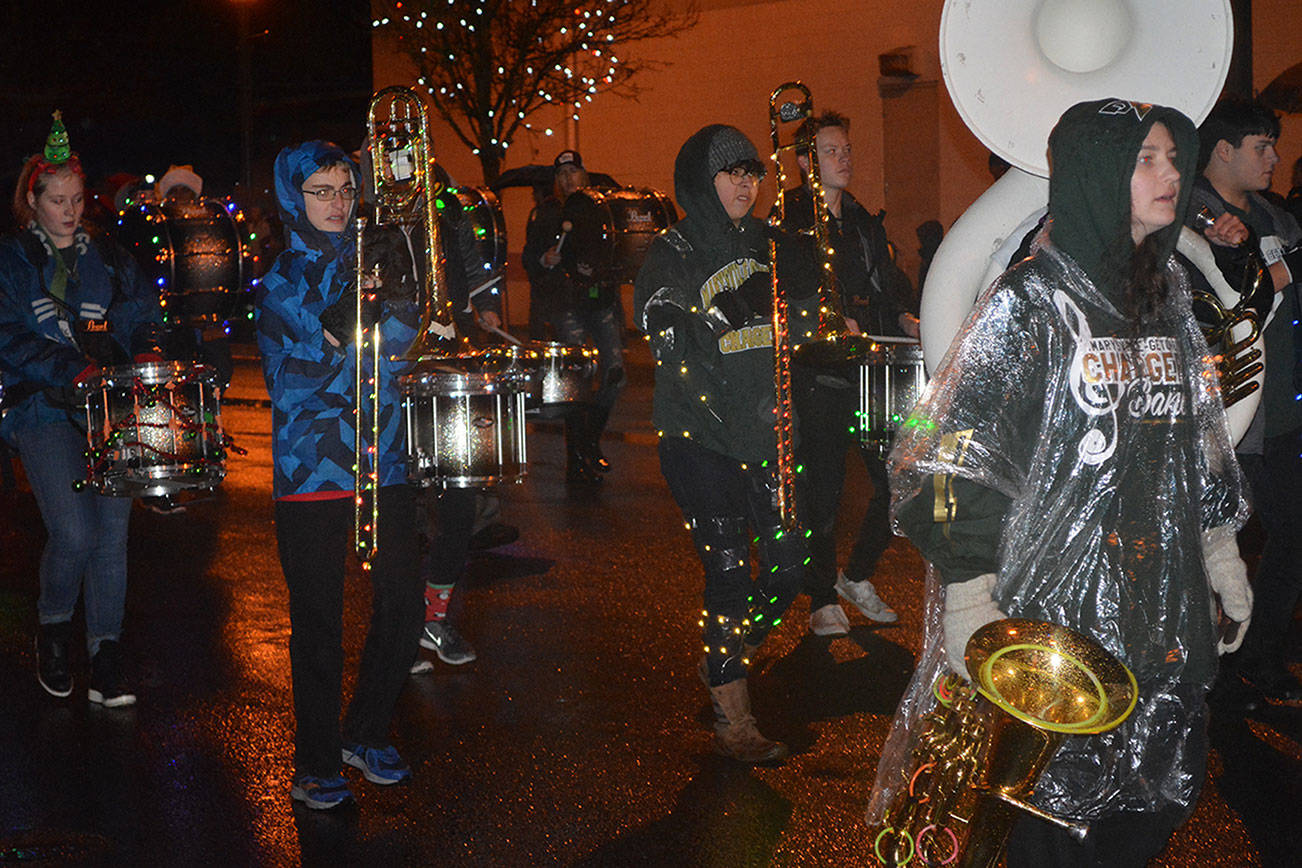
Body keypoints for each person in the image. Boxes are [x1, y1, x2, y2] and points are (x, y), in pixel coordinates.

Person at [870, 99, 1252, 866]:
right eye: (1147, 159)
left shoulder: (1168, 300)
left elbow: (1195, 448)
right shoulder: (1028, 305)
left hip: (1162, 626)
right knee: (1048, 831)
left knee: (1142, 820)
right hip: (1054, 638)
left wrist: (1218, 550)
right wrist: (971, 590)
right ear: (1094, 175)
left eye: (1174, 158)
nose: (1171, 173)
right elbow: (948, 460)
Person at [635, 124, 818, 764]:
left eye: (752, 173)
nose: (745, 184)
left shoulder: (771, 242)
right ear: (701, 180)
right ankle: (734, 719)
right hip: (698, 438)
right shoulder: (674, 248)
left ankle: (727, 654)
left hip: (765, 436)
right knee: (729, 575)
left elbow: (800, 329)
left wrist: (809, 288)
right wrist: (719, 313)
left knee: (792, 565)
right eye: (731, 172)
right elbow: (663, 336)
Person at [257, 140, 423, 810]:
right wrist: (337, 327)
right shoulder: (279, 282)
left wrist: (406, 297)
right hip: (313, 471)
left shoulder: (374, 260)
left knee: (406, 608)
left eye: (345, 189)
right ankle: (316, 759)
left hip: (384, 461)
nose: (336, 203)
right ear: (294, 199)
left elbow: (398, 360)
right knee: (319, 621)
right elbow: (286, 384)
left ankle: (365, 730)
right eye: (321, 191)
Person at [0, 111, 164, 707]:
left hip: (110, 408)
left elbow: (146, 315)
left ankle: (106, 654)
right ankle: (52, 630)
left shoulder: (111, 258)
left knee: (112, 534)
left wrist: (150, 348)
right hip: (43, 409)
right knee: (73, 530)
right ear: (33, 200)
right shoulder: (12, 260)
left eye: (76, 198)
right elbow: (7, 338)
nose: (70, 211)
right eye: (57, 200)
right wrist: (71, 369)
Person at [774, 110, 914, 636]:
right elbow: (784, 289)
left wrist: (905, 315)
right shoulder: (790, 219)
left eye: (847, 149)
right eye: (833, 150)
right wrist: (825, 315)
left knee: (897, 480)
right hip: (820, 369)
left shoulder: (860, 221)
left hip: (870, 366)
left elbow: (887, 282)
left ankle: (855, 575)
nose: (845, 158)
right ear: (808, 161)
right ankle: (818, 599)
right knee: (824, 487)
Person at [1185, 97, 1302, 705]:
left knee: (1284, 532)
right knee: (1211, 542)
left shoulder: (1277, 220)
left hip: (1280, 412)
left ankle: (1253, 653)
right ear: (1223, 151)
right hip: (1222, 419)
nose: (1274, 158)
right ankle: (1214, 667)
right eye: (1262, 147)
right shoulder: (1182, 217)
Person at [523, 150, 626, 482]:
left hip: (601, 300)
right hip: (566, 304)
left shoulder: (600, 209)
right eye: (562, 173)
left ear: (584, 174)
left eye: (574, 171)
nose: (568, 178)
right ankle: (578, 457)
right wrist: (543, 260)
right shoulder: (546, 214)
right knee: (578, 379)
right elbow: (528, 259)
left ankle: (589, 441)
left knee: (614, 372)